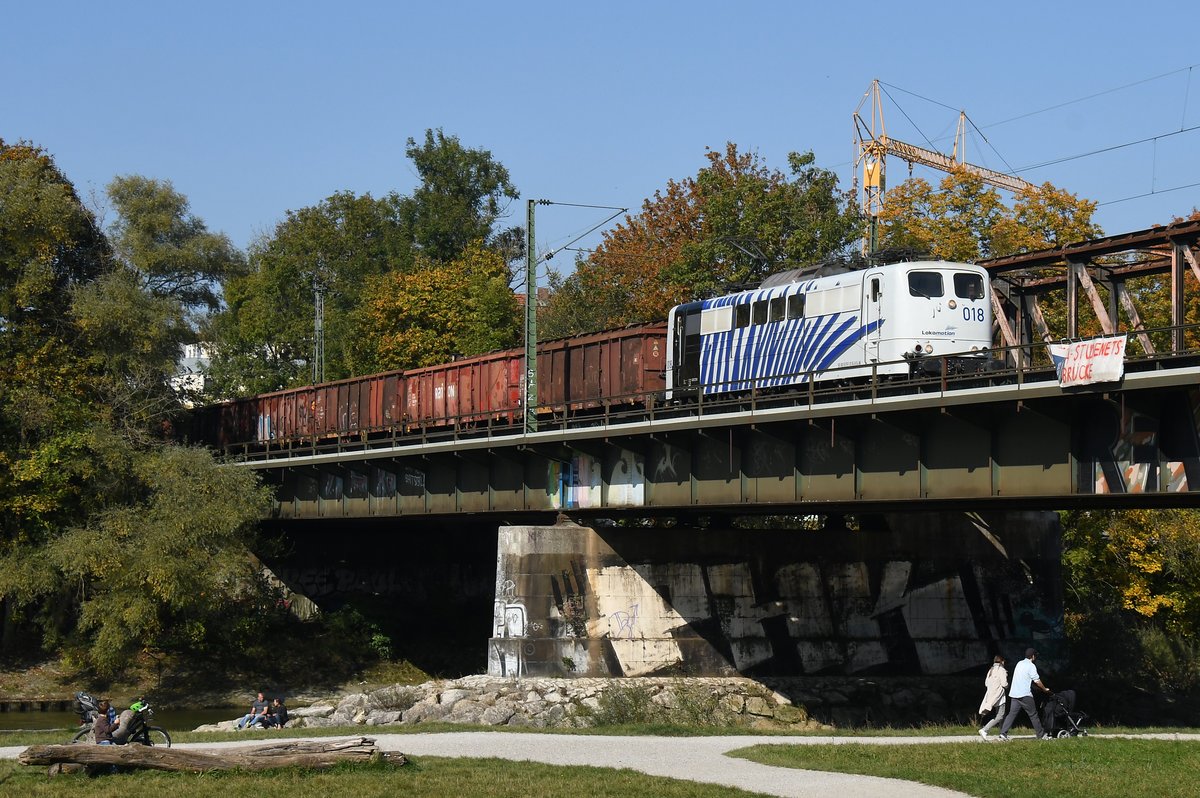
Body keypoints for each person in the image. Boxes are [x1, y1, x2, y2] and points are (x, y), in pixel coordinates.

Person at [998, 647, 1053, 740]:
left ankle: (1003, 733)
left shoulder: (1019, 663)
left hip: (1014, 694)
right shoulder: (1031, 666)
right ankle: (1041, 735)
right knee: (1033, 715)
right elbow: (1037, 680)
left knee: (1011, 714)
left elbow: (1023, 679)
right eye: (1035, 656)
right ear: (1033, 656)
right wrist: (1044, 689)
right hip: (1025, 695)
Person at [977, 655, 1008, 738]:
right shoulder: (1002, 670)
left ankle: (1002, 733)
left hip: (992, 696)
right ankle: (985, 729)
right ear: (1002, 661)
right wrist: (1007, 686)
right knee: (1000, 716)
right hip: (999, 696)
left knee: (1001, 715)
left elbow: (986, 683)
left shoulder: (991, 670)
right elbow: (1004, 683)